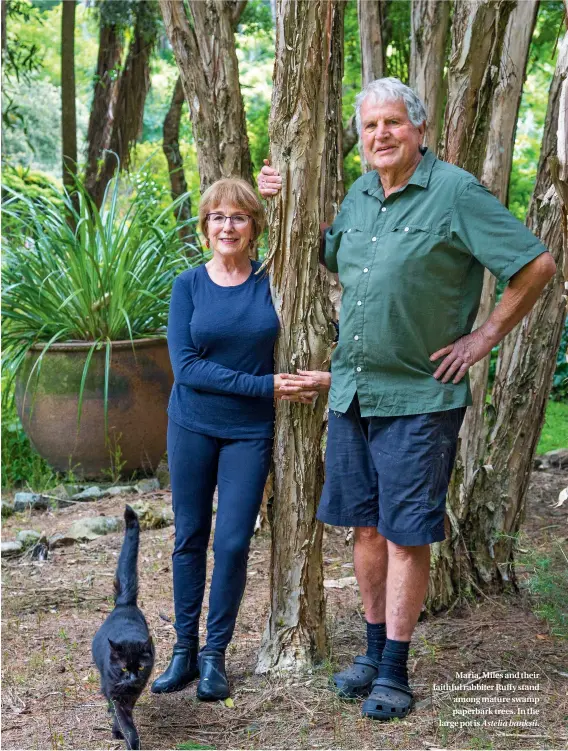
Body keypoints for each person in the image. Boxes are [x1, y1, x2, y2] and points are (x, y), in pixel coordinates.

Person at [259, 77, 556, 721]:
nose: (381, 135)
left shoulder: (455, 192)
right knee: (364, 528)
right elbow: (326, 250)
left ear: (419, 130)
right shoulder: (361, 194)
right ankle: (369, 653)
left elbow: (536, 265)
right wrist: (280, 201)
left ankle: (394, 668)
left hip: (422, 396)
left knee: (403, 535)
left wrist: (484, 337)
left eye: (393, 122)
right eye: (369, 127)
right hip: (355, 394)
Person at [151, 178, 316, 701]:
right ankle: (182, 652)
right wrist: (264, 386)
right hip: (192, 425)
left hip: (249, 433)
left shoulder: (272, 281)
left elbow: (311, 235)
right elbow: (187, 368)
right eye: (218, 217)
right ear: (205, 227)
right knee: (190, 538)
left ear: (254, 227)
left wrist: (282, 188)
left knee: (233, 542)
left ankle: (214, 655)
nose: (228, 226)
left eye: (239, 217)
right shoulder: (188, 286)